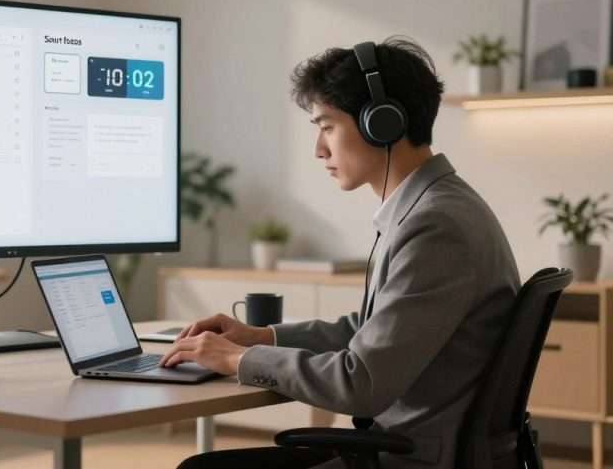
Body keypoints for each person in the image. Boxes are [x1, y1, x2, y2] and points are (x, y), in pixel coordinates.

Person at [162, 37, 521, 469]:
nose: (319, 149)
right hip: (410, 448)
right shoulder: (440, 206)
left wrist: (236, 358)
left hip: (411, 460)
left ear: (382, 123)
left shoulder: (435, 227)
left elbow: (360, 383)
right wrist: (261, 338)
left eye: (327, 126)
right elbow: (371, 331)